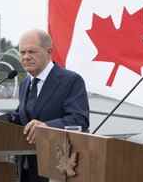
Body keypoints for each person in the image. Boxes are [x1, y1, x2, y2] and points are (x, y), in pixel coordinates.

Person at [9, 29, 90, 182]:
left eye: (32, 51)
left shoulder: (71, 80)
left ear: (49, 51)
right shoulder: (25, 83)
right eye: (22, 52)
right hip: (26, 166)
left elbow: (79, 120)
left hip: (57, 167)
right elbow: (21, 117)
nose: (26, 57)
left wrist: (47, 126)